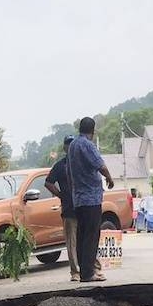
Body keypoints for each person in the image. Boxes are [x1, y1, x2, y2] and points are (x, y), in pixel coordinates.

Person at [68, 117, 114, 283]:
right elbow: (99, 164)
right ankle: (88, 273)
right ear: (92, 131)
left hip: (78, 198)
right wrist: (109, 178)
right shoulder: (87, 145)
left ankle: (85, 270)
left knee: (82, 235)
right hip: (90, 198)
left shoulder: (73, 145)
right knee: (91, 236)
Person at [45, 135, 85, 281]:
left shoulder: (82, 163)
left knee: (86, 240)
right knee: (71, 242)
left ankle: (89, 269)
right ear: (65, 147)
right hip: (69, 209)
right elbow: (48, 182)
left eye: (72, 144)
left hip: (84, 207)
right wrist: (61, 195)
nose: (70, 147)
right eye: (68, 144)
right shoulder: (60, 165)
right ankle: (75, 272)